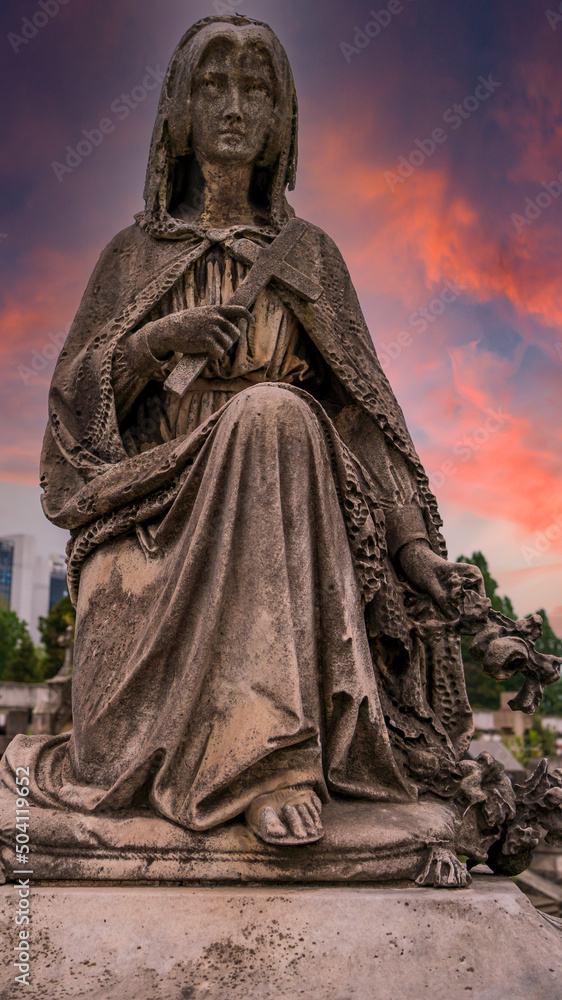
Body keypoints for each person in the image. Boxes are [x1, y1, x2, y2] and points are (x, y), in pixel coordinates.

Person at [2, 16, 484, 847]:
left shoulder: (312, 259)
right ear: (179, 111)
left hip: (289, 521)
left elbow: (362, 420)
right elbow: (72, 411)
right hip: (149, 517)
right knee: (267, 419)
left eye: (256, 88)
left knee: (274, 414)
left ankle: (270, 757)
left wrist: (414, 548)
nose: (234, 105)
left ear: (281, 119)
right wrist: (155, 344)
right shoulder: (130, 256)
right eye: (213, 84)